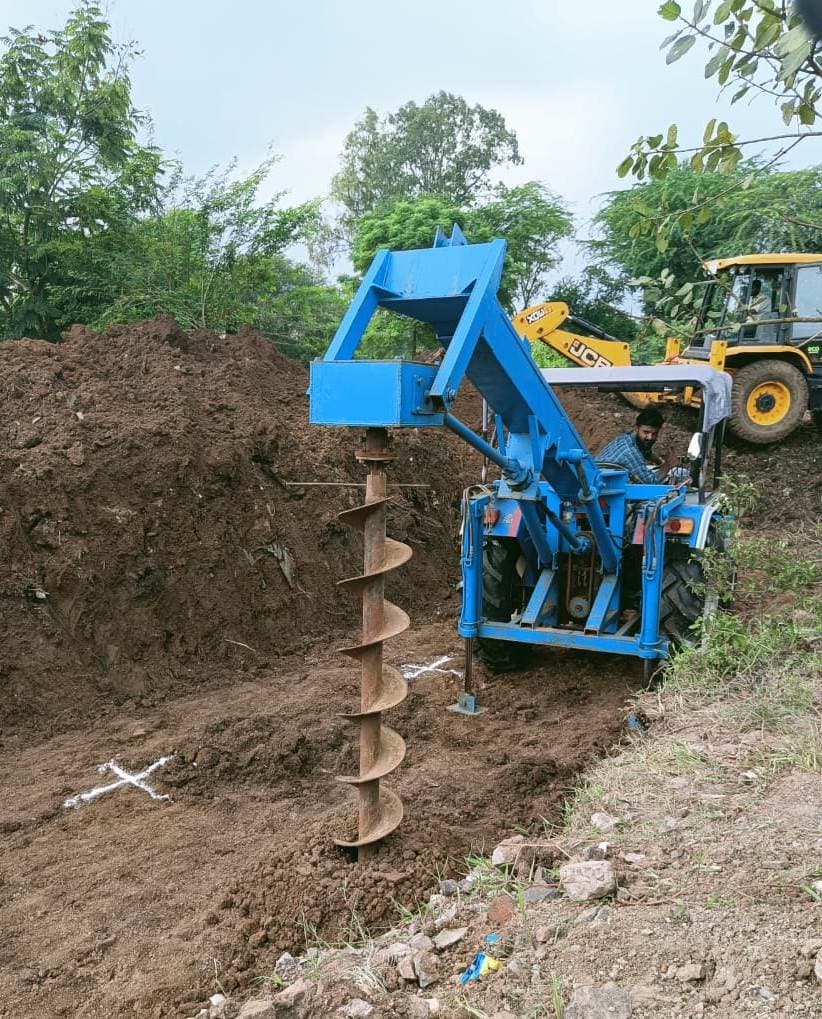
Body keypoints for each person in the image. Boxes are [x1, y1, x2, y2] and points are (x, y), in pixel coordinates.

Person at [596, 407, 676, 484]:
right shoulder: (629, 451)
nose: (650, 437)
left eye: (654, 434)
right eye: (646, 432)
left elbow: (646, 452)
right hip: (604, 486)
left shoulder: (629, 438)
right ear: (636, 428)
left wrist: (660, 462)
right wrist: (668, 465)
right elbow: (650, 483)